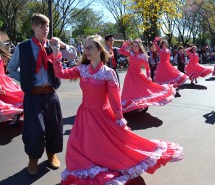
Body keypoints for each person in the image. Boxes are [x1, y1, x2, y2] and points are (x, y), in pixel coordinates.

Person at [51, 35, 183, 185]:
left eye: (89, 47)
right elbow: (60, 73)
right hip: (84, 116)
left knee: (109, 146)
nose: (86, 50)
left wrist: (119, 117)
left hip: (102, 115)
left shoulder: (108, 73)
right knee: (78, 146)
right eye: (85, 47)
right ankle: (86, 169)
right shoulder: (82, 69)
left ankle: (107, 165)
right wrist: (56, 53)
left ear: (99, 49)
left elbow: (114, 98)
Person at [7, 13, 72, 175]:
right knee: (36, 130)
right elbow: (12, 68)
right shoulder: (23, 47)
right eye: (42, 26)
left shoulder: (53, 45)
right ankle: (33, 158)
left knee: (55, 128)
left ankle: (51, 154)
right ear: (33, 27)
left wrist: (62, 46)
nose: (46, 29)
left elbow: (73, 56)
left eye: (47, 26)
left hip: (51, 95)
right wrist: (24, 80)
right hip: (33, 96)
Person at [119, 39, 175, 113]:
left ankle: (143, 105)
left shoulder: (143, 56)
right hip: (129, 75)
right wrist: (126, 44)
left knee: (141, 91)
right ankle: (134, 106)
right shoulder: (131, 53)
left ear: (139, 47)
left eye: (136, 46)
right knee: (130, 91)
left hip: (138, 76)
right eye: (133, 46)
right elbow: (121, 51)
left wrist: (148, 76)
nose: (134, 47)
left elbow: (147, 68)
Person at [0, 42, 23, 124]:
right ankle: (15, 115)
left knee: (8, 97)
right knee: (8, 98)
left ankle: (15, 115)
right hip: (3, 79)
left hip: (2, 79)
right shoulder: (1, 54)